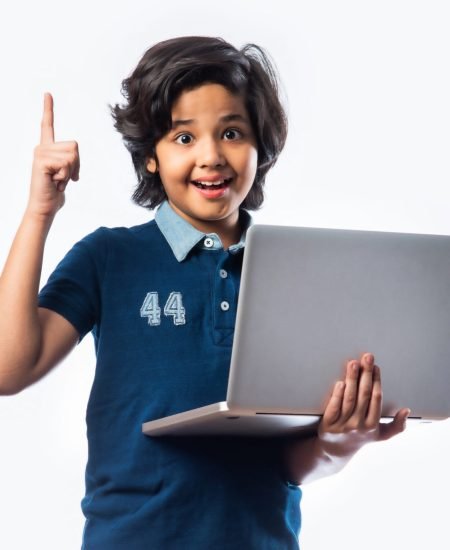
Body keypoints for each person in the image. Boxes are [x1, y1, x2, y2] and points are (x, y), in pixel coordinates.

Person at [0, 36, 410, 549]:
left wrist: (338, 443)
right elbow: (7, 369)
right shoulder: (108, 257)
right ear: (150, 156)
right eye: (184, 138)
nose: (212, 156)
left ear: (261, 147)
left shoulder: (299, 275)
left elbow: (288, 463)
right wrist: (40, 213)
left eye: (232, 132)